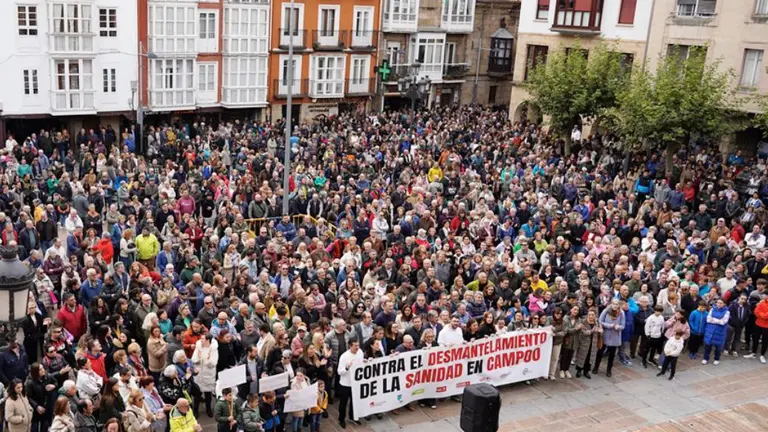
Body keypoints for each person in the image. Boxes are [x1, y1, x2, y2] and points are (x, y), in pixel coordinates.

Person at [336, 338, 363, 428]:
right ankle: (341, 419)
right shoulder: (344, 356)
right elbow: (339, 372)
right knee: (343, 403)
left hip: (355, 383)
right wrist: (347, 367)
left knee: (354, 402)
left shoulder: (360, 352)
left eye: (358, 345)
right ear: (350, 346)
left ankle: (353, 417)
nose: (357, 347)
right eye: (355, 346)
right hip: (345, 384)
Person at [191, 334, 218, 417]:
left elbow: (213, 363)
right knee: (197, 394)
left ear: (208, 340)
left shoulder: (213, 349)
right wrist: (199, 358)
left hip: (208, 375)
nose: (201, 340)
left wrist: (207, 360)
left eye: (203, 338)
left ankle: (208, 409)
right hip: (199, 375)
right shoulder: (198, 346)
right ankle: (195, 410)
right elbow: (193, 359)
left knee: (208, 395)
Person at [702, 298, 730, 365]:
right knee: (707, 346)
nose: (719, 304)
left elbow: (723, 322)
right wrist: (718, 320)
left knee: (718, 347)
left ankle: (717, 358)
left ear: (724, 304)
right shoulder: (712, 309)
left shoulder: (727, 312)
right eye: (718, 303)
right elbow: (708, 319)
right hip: (710, 330)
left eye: (721, 303)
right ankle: (705, 358)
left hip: (720, 331)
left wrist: (713, 320)